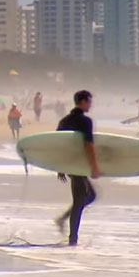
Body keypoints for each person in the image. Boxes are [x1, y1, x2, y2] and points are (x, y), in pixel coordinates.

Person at [54, 90, 100, 246]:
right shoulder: (85, 121)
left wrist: (60, 166)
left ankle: (64, 219)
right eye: (89, 101)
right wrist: (94, 166)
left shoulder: (64, 121)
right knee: (80, 200)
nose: (90, 104)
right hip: (78, 165)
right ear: (83, 101)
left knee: (90, 196)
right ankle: (72, 240)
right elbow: (89, 145)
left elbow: (58, 144)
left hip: (69, 163)